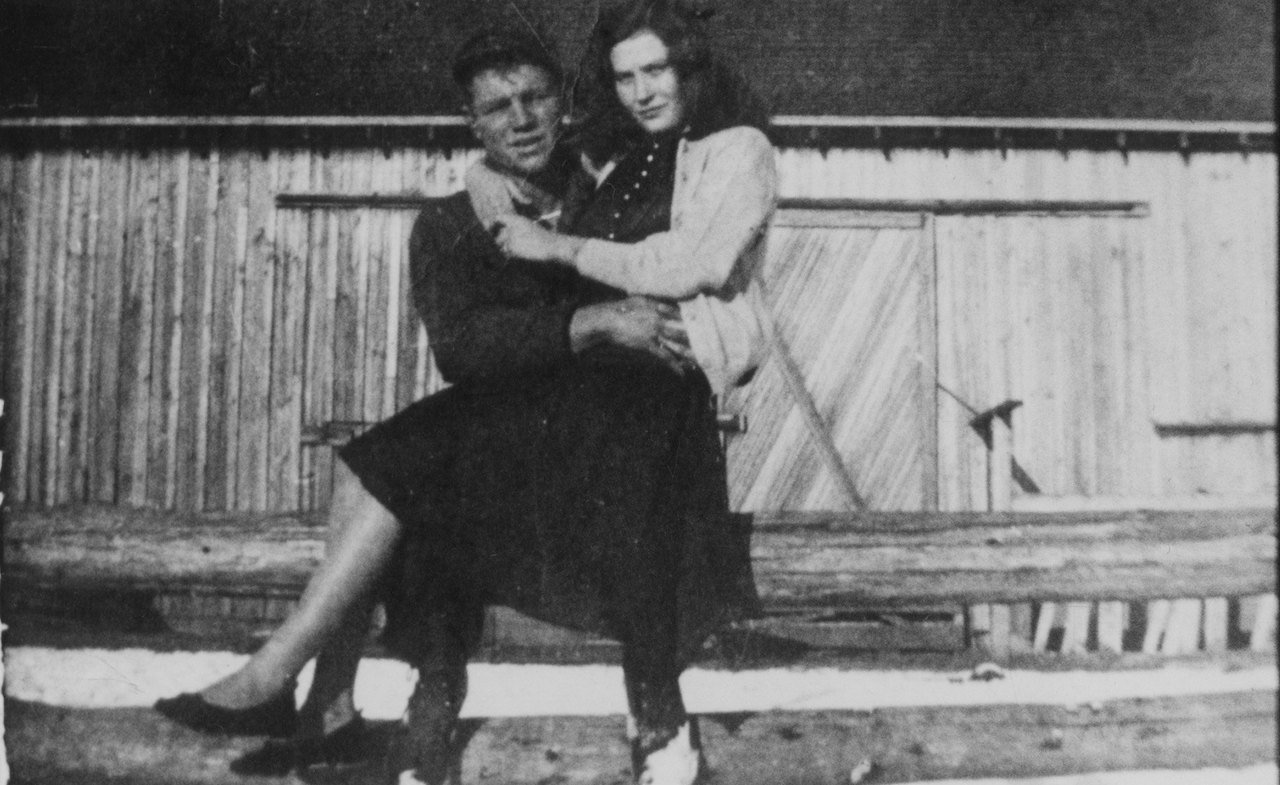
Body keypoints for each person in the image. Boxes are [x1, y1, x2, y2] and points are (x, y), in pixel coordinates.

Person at [158, 5, 776, 783]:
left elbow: (686, 249)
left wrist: (565, 256)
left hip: (603, 443)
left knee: (386, 465)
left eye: (536, 99)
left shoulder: (598, 182)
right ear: (471, 124)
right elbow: (463, 348)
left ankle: (297, 680)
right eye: (496, 108)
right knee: (381, 467)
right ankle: (342, 695)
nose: (521, 121)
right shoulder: (453, 223)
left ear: (565, 101)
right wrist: (590, 320)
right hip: (525, 434)